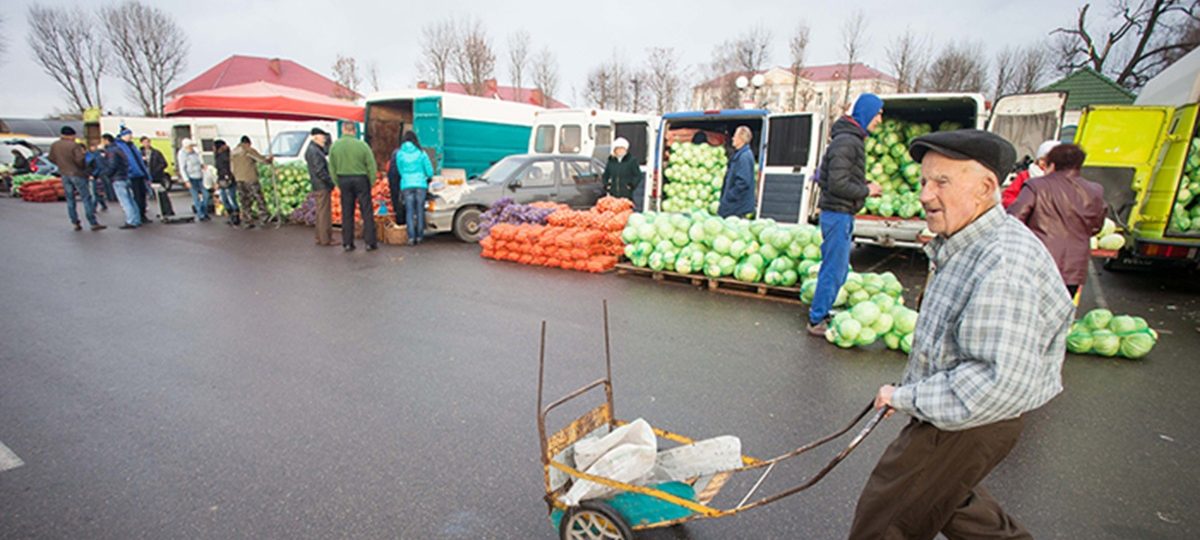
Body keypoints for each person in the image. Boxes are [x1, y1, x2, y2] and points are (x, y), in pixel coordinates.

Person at [849, 130, 1074, 540]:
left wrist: (906, 397)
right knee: (950, 503)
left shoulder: (1002, 262)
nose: (925, 195)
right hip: (964, 412)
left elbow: (996, 380)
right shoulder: (965, 244)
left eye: (942, 182)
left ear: (986, 188)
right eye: (923, 181)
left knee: (885, 517)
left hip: (966, 420)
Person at [807, 94, 884, 335]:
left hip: (842, 212)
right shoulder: (847, 142)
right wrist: (866, 190)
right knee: (833, 268)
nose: (880, 121)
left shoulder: (851, 140)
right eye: (878, 114)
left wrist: (864, 183)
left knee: (838, 268)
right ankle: (816, 319)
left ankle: (822, 311)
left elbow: (837, 177)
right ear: (866, 113)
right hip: (837, 213)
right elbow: (838, 184)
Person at [1007, 143, 1106, 299]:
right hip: (1074, 268)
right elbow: (1096, 227)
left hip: (1037, 262)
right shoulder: (1095, 190)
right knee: (1060, 315)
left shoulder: (1037, 186)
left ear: (1051, 163)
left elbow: (1014, 219)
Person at [328, 122, 379, 251]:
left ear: (343, 129)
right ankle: (370, 242)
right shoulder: (362, 145)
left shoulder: (335, 146)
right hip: (361, 179)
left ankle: (347, 242)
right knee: (366, 211)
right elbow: (371, 165)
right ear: (354, 131)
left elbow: (331, 167)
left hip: (343, 179)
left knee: (347, 212)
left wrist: (337, 183)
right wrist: (371, 182)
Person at [48, 126, 106, 231]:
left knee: (70, 199)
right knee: (86, 198)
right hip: (77, 174)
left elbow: (51, 158)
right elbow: (80, 160)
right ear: (71, 135)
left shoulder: (55, 145)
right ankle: (92, 222)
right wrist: (84, 168)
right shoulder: (74, 146)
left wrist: (61, 165)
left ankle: (75, 222)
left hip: (64, 173)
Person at [394, 131, 434, 245]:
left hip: (406, 184)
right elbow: (429, 170)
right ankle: (420, 236)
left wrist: (406, 177)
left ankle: (411, 238)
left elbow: (400, 169)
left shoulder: (400, 153)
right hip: (421, 184)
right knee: (420, 210)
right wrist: (427, 177)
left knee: (409, 211)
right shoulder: (421, 153)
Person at [98, 133, 140, 229]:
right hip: (125, 176)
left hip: (118, 178)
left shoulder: (111, 151)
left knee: (125, 201)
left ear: (106, 140)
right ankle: (136, 219)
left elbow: (112, 165)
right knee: (131, 199)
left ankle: (131, 221)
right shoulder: (119, 149)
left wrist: (106, 174)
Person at [1002, 139, 1059, 208]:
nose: (1044, 163)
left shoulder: (1059, 181)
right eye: (1042, 159)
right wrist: (1021, 205)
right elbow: (1008, 196)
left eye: (1050, 161)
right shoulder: (1025, 175)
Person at [230, 136, 271, 229]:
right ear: (248, 143)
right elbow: (261, 159)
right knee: (258, 198)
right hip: (250, 178)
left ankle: (247, 220)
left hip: (239, 179)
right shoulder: (248, 150)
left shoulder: (233, 151)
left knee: (244, 200)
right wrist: (269, 160)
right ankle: (264, 217)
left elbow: (231, 167)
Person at [717, 126, 757, 218]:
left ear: (741, 138)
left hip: (736, 207)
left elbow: (743, 182)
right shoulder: (740, 154)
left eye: (735, 136)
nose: (733, 138)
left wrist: (730, 196)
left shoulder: (744, 157)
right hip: (734, 205)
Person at [113, 129, 152, 223]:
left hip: (139, 174)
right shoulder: (120, 146)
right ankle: (136, 217)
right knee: (135, 197)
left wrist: (146, 174)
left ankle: (141, 215)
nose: (130, 136)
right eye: (128, 135)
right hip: (131, 175)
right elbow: (127, 161)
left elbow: (139, 161)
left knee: (142, 196)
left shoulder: (132, 146)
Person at [305, 128, 335, 246]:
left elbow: (327, 150)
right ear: (315, 137)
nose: (324, 139)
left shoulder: (314, 149)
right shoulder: (315, 151)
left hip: (317, 184)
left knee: (320, 211)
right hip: (321, 185)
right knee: (324, 212)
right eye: (322, 137)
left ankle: (320, 236)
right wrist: (330, 182)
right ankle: (325, 238)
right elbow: (320, 171)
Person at [176, 139, 211, 221]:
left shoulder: (195, 152)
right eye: (190, 146)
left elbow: (199, 162)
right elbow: (182, 168)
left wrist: (202, 165)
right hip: (191, 177)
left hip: (200, 176)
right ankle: (201, 214)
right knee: (196, 197)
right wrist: (186, 180)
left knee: (206, 195)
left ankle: (204, 211)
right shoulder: (182, 154)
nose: (192, 148)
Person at [602, 137, 642, 208]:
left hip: (626, 193)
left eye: (622, 148)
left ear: (626, 149)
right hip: (613, 194)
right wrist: (606, 185)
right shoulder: (611, 161)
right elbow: (605, 175)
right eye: (618, 148)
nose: (620, 150)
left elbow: (638, 175)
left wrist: (631, 185)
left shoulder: (631, 161)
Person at [213, 140, 240, 226]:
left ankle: (235, 216)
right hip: (222, 179)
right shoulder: (219, 156)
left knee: (230, 197)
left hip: (228, 179)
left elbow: (229, 167)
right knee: (225, 198)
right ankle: (232, 216)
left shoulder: (225, 156)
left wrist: (228, 176)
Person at [140, 136, 166, 221]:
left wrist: (156, 170)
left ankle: (164, 210)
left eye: (148, 142)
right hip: (143, 176)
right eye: (144, 142)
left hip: (155, 175)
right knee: (143, 194)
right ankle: (143, 210)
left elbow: (163, 163)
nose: (146, 144)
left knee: (160, 194)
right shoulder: (139, 153)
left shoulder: (156, 152)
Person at [85, 144, 109, 211]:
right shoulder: (94, 155)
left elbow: (99, 166)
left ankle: (93, 208)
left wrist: (93, 174)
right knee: (95, 192)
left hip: (94, 176)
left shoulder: (95, 156)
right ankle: (103, 204)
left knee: (93, 192)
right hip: (91, 175)